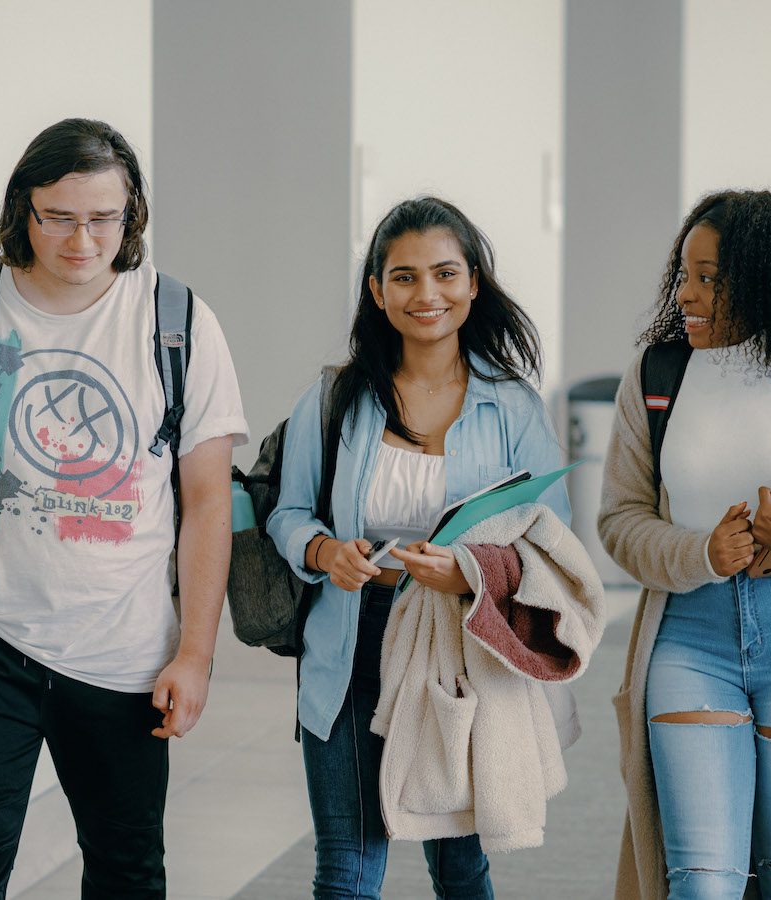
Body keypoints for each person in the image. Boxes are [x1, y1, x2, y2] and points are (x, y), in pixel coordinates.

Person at [0, 118, 249, 897]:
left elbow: (206, 506)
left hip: (122, 651)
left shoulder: (177, 323)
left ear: (132, 215)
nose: (82, 239)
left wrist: (195, 654)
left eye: (104, 218)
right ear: (24, 208)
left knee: (126, 872)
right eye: (59, 216)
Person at [268, 197, 573, 899]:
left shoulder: (514, 407)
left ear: (472, 283)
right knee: (346, 869)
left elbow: (551, 544)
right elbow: (286, 514)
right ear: (377, 291)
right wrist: (323, 552)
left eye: (444, 274)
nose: (426, 294)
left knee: (459, 867)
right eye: (403, 278)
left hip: (453, 649)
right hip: (349, 644)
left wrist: (470, 572)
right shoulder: (335, 397)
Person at [598, 189, 771, 898]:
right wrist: (700, 554)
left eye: (709, 278)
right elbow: (619, 520)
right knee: (702, 880)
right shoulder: (656, 377)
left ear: (768, 281)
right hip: (690, 638)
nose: (685, 292)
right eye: (683, 273)